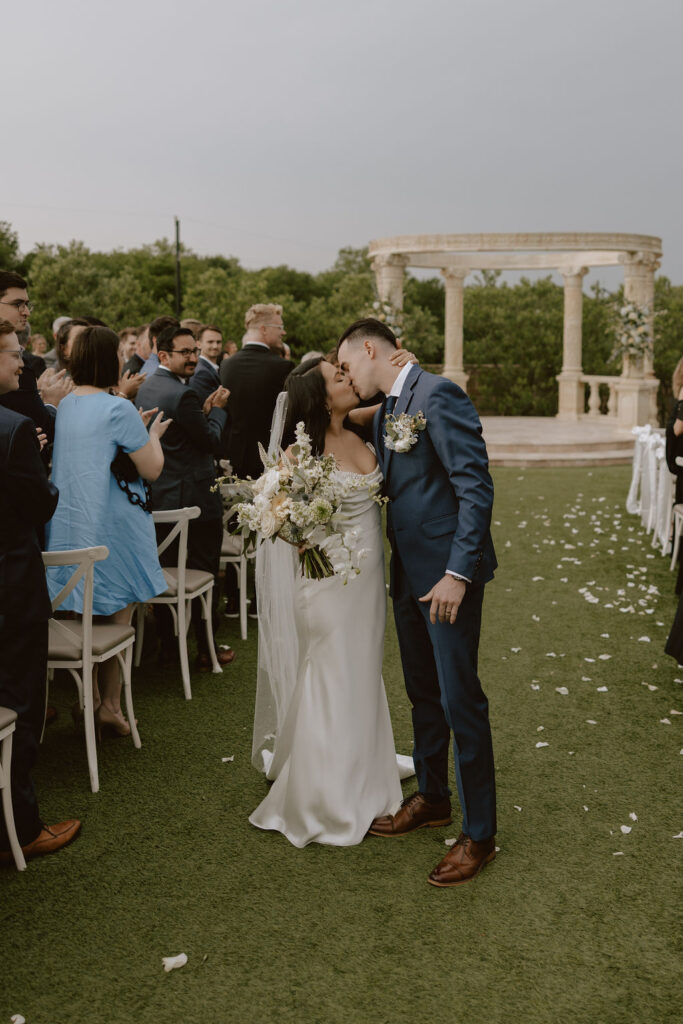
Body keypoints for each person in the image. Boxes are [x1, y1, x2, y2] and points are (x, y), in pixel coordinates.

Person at [337, 318, 498, 887]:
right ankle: (432, 795)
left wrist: (458, 572)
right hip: (407, 575)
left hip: (447, 580)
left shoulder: (439, 394)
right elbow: (350, 422)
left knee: (460, 699)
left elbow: (474, 485)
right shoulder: (386, 410)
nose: (346, 375)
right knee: (421, 690)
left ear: (372, 349)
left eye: (347, 364)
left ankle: (480, 834)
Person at [249, 356, 405, 847]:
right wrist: (297, 536)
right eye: (338, 377)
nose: (348, 378)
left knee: (360, 668)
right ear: (318, 398)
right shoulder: (300, 455)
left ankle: (364, 765)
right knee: (333, 670)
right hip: (327, 584)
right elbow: (273, 511)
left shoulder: (360, 432)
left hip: (366, 583)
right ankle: (324, 796)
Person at [46, 326, 170, 735]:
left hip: (72, 522)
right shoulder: (117, 409)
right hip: (115, 524)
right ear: (107, 360)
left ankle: (91, 700)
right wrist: (151, 435)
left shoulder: (65, 407)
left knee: (78, 610)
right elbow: (151, 468)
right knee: (121, 611)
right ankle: (110, 705)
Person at [0, 318, 81, 863]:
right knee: (20, 704)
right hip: (10, 587)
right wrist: (41, 460)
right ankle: (22, 828)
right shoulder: (11, 430)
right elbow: (40, 505)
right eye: (11, 354)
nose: (21, 364)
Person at [135, 325, 236, 670]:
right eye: (186, 352)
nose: (193, 357)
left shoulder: (147, 387)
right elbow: (210, 442)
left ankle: (167, 648)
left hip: (160, 496)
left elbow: (179, 434)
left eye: (195, 351)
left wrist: (202, 414)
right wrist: (218, 410)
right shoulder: (184, 394)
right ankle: (207, 649)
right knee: (205, 572)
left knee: (164, 574)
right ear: (163, 355)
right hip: (195, 500)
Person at [219, 303, 294, 479]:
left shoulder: (226, 365)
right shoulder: (283, 366)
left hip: (236, 457)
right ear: (264, 329)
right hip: (274, 457)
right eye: (280, 327)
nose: (283, 333)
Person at [0, 271, 70, 440]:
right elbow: (43, 427)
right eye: (18, 304)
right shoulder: (18, 365)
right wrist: (51, 403)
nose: (26, 313)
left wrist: (38, 394)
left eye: (26, 305)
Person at [189, 324, 224, 405]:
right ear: (198, 344)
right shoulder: (200, 373)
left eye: (218, 342)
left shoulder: (216, 368)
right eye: (210, 342)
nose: (215, 346)